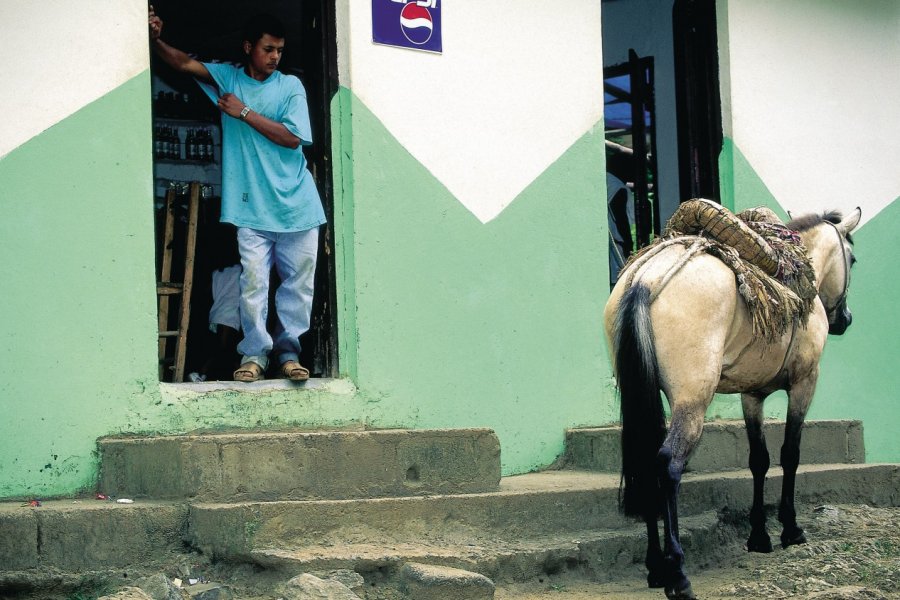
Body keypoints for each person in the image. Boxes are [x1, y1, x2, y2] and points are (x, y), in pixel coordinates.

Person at [149, 7, 326, 382]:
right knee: (252, 284)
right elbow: (183, 64)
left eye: (280, 50)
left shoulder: (290, 87)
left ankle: (289, 353)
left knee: (298, 287)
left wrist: (243, 112)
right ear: (249, 47)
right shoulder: (228, 77)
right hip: (250, 209)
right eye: (268, 49)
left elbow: (293, 137)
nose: (275, 56)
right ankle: (255, 356)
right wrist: (154, 38)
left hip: (297, 205)